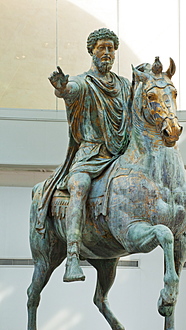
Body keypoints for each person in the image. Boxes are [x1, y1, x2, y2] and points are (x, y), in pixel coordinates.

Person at [36, 28, 131, 282]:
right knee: (79, 185)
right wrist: (62, 88)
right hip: (91, 153)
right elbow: (71, 90)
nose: (107, 52)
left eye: (111, 48)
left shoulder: (124, 85)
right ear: (92, 51)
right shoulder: (83, 81)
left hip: (119, 155)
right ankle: (73, 256)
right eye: (102, 47)